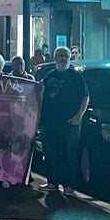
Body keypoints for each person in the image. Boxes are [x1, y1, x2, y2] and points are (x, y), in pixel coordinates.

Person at [38, 46, 89, 194]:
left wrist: (78, 117)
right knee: (50, 153)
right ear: (55, 58)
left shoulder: (76, 76)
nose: (63, 58)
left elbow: (85, 97)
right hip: (49, 122)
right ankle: (52, 182)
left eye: (65, 56)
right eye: (60, 55)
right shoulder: (49, 76)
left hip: (69, 123)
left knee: (69, 154)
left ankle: (69, 185)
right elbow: (38, 93)